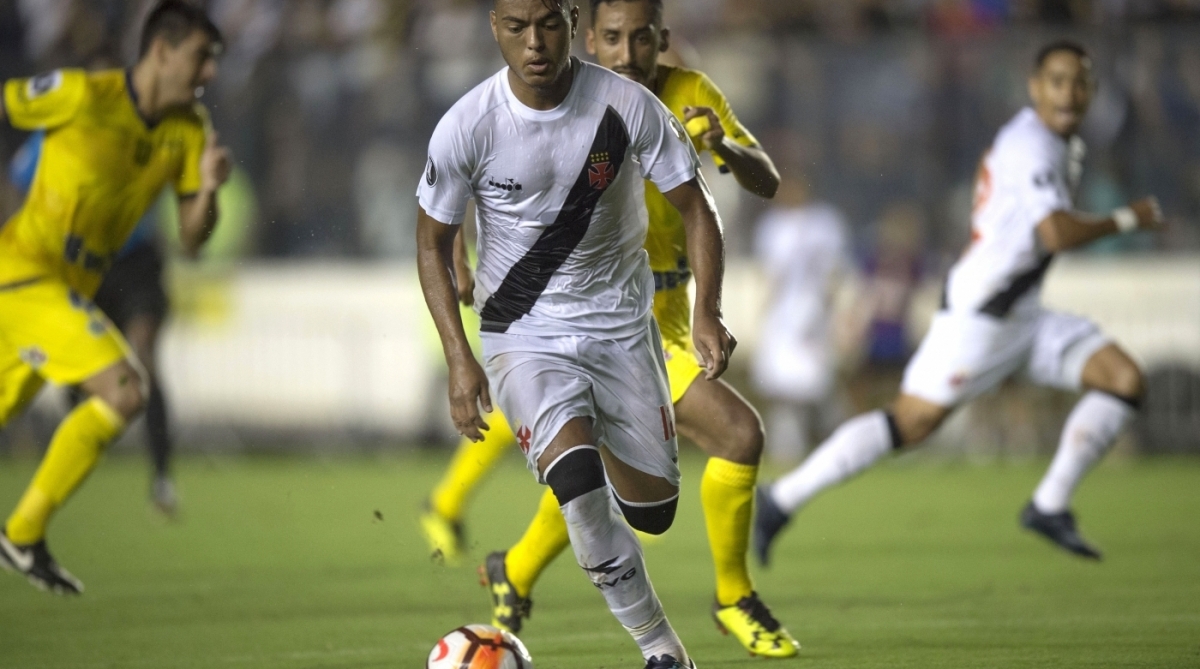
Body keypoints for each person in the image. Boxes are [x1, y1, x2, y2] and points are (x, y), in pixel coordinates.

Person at [420, 0, 798, 656]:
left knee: (650, 510)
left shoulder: (657, 103)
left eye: (643, 37)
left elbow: (718, 200)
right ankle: (677, 635)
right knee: (590, 467)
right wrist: (459, 352)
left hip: (637, 326)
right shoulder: (469, 124)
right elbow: (434, 232)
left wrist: (708, 307)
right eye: (517, 27)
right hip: (525, 328)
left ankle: (518, 562)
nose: (628, 52)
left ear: (572, 26)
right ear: (593, 36)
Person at [754, 40, 1162, 567]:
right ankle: (781, 498)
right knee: (911, 423)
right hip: (981, 318)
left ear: (1092, 91)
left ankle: (1049, 504)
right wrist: (1126, 219)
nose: (1069, 92)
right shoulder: (1030, 145)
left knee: (1123, 379)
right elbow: (1056, 233)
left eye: (1080, 82)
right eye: (1057, 81)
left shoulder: (1062, 144)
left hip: (1023, 314)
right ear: (1035, 87)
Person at [0, 1, 230, 594]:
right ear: (162, 50)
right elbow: (8, 104)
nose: (209, 73)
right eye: (201, 57)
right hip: (23, 275)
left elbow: (192, 239)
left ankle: (23, 536)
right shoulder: (81, 95)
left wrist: (207, 191)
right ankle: (22, 534)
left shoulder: (188, 132)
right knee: (125, 388)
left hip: (65, 293)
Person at [8, 132, 180, 517]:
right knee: (82, 377)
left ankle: (162, 476)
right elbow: (15, 186)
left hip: (136, 263)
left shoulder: (142, 132)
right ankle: (74, 465)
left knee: (145, 355)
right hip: (80, 264)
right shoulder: (50, 137)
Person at [751, 175, 850, 466]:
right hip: (783, 316)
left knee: (818, 385)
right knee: (782, 386)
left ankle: (842, 439)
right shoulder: (772, 226)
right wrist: (763, 311)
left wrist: (834, 314)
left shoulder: (825, 222)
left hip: (813, 312)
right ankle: (786, 447)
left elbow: (834, 272)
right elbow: (770, 275)